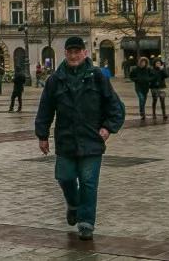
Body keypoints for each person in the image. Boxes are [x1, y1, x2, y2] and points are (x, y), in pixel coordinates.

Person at [34, 36, 125, 241]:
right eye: (70, 52)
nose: (74, 55)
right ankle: (73, 204)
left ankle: (86, 223)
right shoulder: (55, 80)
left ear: (85, 53)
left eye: (78, 51)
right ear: (65, 54)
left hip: (91, 140)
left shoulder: (98, 77)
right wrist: (42, 135)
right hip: (66, 140)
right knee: (64, 177)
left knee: (88, 183)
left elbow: (116, 107)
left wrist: (108, 128)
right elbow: (45, 109)